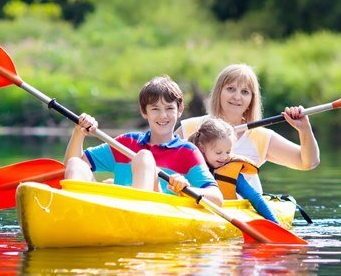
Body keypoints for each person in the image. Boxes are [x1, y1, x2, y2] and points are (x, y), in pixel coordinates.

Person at [65, 75, 223, 206]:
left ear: (179, 110)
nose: (163, 116)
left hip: (154, 215)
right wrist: (79, 132)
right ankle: (74, 214)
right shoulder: (127, 142)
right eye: (155, 109)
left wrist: (186, 188)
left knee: (144, 158)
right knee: (76, 164)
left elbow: (217, 197)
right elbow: (72, 165)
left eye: (169, 108)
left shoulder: (187, 152)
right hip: (114, 213)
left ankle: (135, 211)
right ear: (144, 111)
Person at [176, 63, 320, 192]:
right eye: (231, 89)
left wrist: (304, 130)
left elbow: (308, 162)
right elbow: (158, 155)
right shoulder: (192, 127)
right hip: (197, 203)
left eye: (245, 92)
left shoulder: (260, 137)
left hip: (243, 210)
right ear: (219, 92)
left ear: (252, 99)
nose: (237, 97)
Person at [188, 117, 280, 223]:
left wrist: (275, 223)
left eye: (228, 152)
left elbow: (255, 198)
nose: (224, 157)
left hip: (225, 216)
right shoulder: (191, 167)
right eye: (218, 152)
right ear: (202, 147)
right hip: (194, 212)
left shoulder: (232, 172)